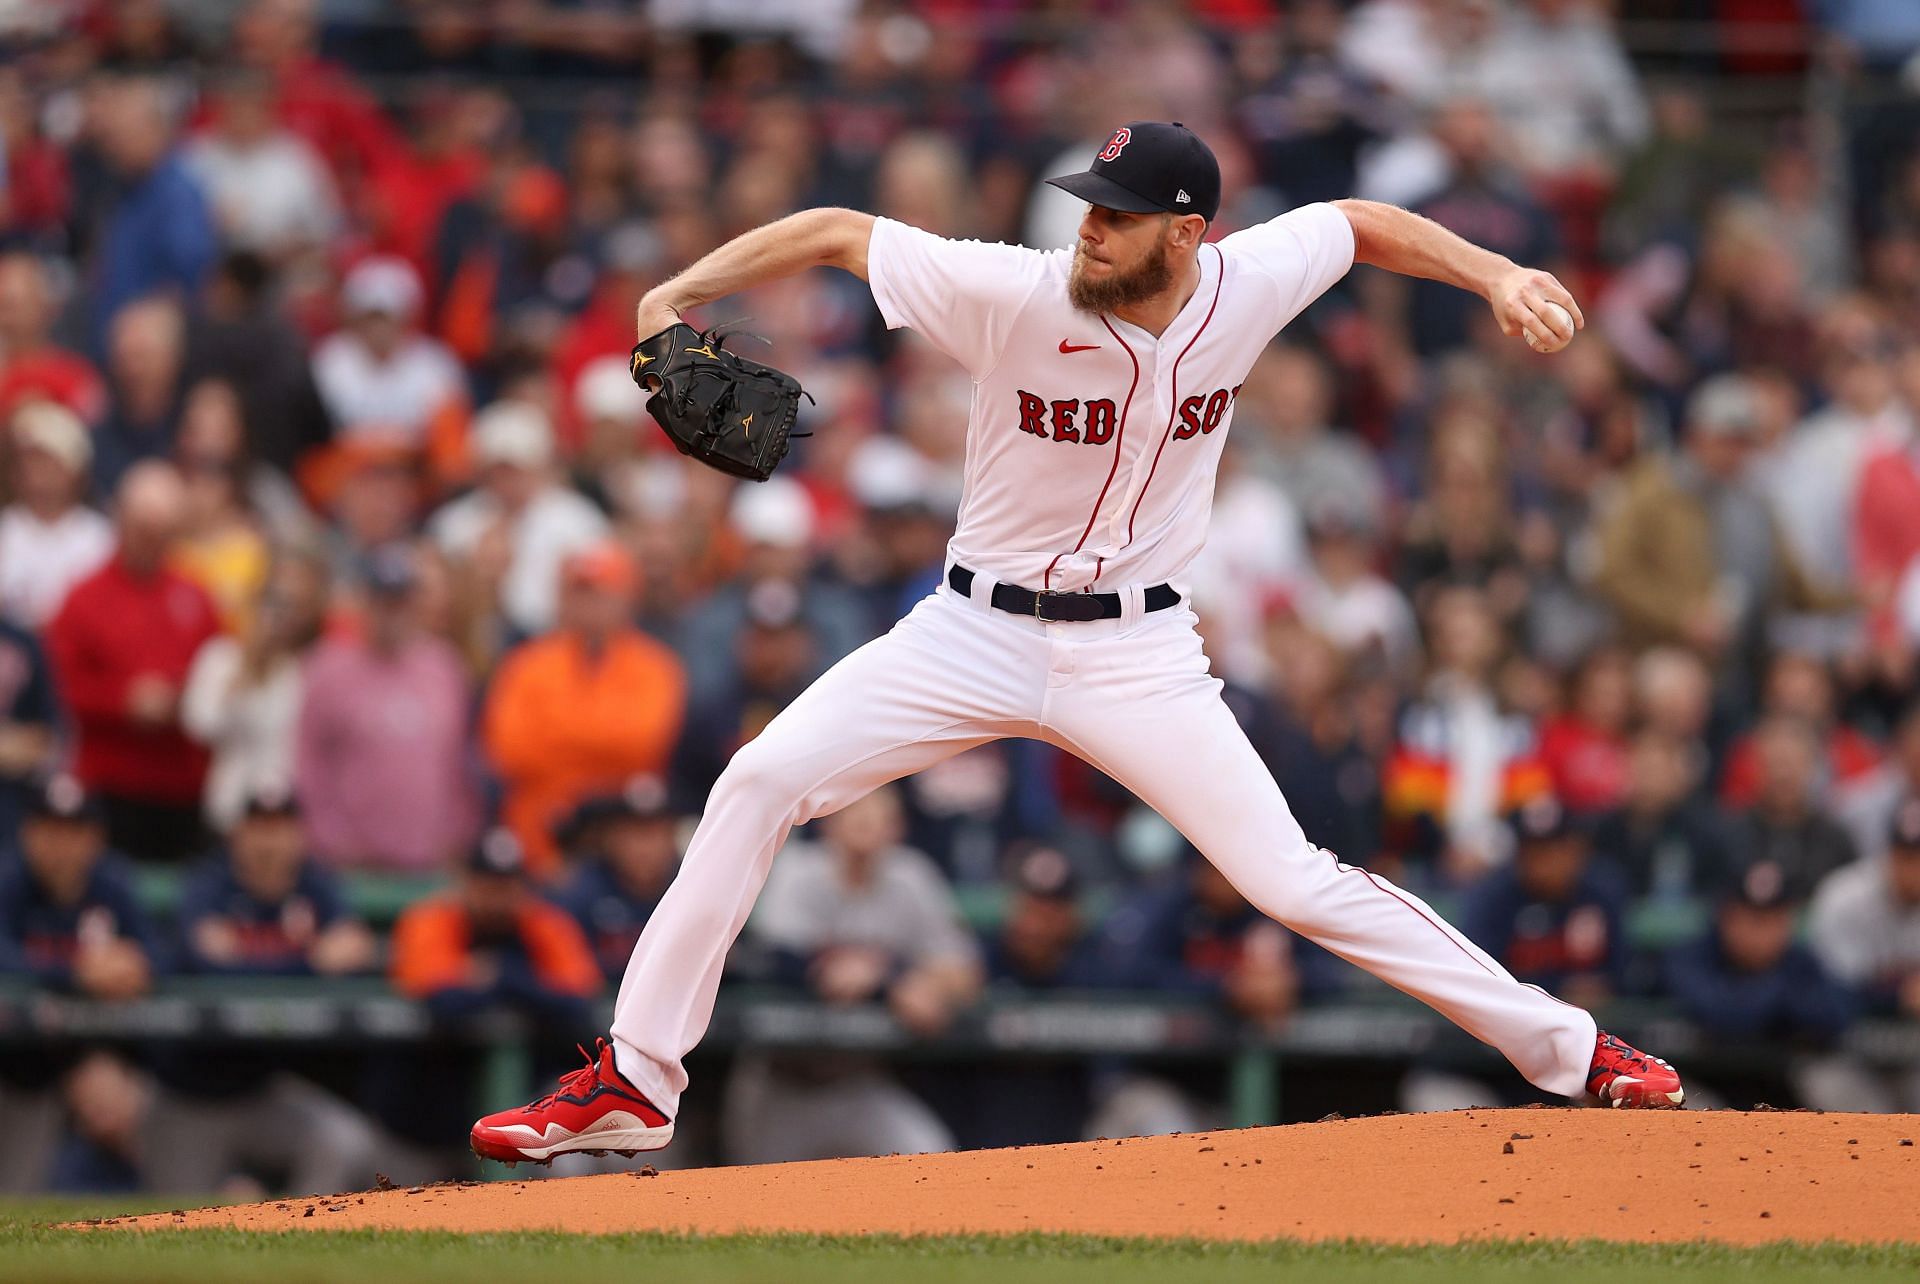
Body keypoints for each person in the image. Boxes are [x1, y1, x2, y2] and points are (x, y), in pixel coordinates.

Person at [473, 119, 1683, 1168]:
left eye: (1117, 216)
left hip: (1138, 658)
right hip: (967, 630)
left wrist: (1494, 271)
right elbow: (842, 228)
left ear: (1187, 233)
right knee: (758, 781)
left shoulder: (1246, 283)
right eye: (1088, 209)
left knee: (1293, 883)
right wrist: (668, 295)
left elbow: (1359, 222)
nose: (1090, 231)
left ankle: (1571, 1050)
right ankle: (638, 1082)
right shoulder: (1016, 288)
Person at [721, 786, 980, 1164]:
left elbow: (964, 969)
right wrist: (885, 983)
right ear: (830, 825)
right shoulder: (799, 871)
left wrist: (919, 982)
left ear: (898, 828)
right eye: (856, 819)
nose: (867, 830)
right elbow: (774, 959)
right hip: (780, 1083)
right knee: (760, 1206)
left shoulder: (911, 877)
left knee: (931, 1159)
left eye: (879, 820)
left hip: (859, 1081)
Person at [146, 785, 381, 1194]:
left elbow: (353, 958)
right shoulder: (208, 883)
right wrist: (311, 962)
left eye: (280, 828)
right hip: (188, 1096)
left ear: (299, 836)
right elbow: (211, 970)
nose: (269, 841)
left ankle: (301, 1234)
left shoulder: (315, 887)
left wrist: (245, 956)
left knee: (344, 1143)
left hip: (261, 1091)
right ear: (237, 834)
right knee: (176, 1223)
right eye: (259, 828)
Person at [44, 462, 222, 863]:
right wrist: (122, 701)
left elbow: (221, 674)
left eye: (162, 530)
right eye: (143, 527)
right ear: (121, 520)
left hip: (182, 787)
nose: (151, 540)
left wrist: (182, 701)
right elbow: (59, 684)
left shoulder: (197, 596)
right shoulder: (83, 598)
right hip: (109, 784)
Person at [482, 541, 685, 875]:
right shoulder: (526, 665)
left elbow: (643, 743)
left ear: (627, 598)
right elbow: (508, 750)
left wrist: (559, 734)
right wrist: (601, 740)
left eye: (601, 593)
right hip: (536, 843)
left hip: (626, 847)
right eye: (580, 593)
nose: (590, 604)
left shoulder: (657, 666)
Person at [0, 777, 157, 1192]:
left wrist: (136, 965)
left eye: (74, 831)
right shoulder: (9, 882)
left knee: (134, 1098)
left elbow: (160, 954)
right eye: (49, 830)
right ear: (27, 833)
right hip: (17, 1071)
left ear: (95, 837)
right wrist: (76, 972)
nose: (61, 845)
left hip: (96, 1060)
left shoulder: (111, 884)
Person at [295, 542, 478, 872]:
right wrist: (332, 840)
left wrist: (457, 834)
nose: (392, 613)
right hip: (350, 862)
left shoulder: (443, 667)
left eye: (400, 602)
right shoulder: (327, 668)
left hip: (429, 859)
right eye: (382, 601)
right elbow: (310, 766)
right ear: (364, 602)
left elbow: (458, 762)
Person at [1664, 860, 1866, 1112]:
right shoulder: (1694, 956)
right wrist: (1780, 1000)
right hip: (1706, 1083)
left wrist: (1762, 1000)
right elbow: (1723, 1016)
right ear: (1727, 918)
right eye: (1753, 920)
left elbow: (1836, 1015)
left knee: (1833, 1084)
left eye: (1774, 920)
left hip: (1783, 1087)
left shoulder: (1800, 961)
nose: (1763, 934)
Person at [181, 550, 329, 834]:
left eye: (297, 604)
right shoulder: (221, 657)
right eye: (276, 601)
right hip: (230, 813)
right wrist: (249, 669)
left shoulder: (317, 667)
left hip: (295, 820)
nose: (284, 615)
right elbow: (201, 725)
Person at [1807, 797, 1920, 1112]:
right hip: (1845, 1054)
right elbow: (1831, 993)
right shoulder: (1843, 897)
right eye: (1907, 856)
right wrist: (1898, 994)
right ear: (1889, 854)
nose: (1915, 868)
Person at [554, 775, 681, 982]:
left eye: (655, 834)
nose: (644, 849)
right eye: (633, 834)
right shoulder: (580, 894)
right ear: (611, 839)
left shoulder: (692, 888)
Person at [0, 400, 113, 631]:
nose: (36, 470)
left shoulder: (100, 537)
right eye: (28, 459)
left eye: (47, 459)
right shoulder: (5, 530)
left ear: (75, 469)